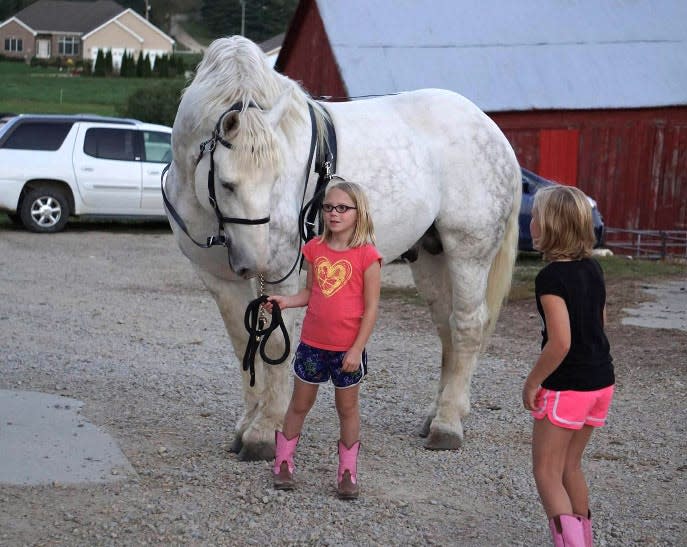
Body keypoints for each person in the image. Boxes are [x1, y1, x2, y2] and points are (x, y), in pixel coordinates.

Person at [264, 180, 382, 499]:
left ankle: (347, 471)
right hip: (313, 346)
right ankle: (284, 463)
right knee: (299, 404)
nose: (334, 213)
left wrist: (357, 348)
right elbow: (311, 292)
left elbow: (371, 310)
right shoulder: (314, 248)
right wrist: (286, 301)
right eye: (329, 207)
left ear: (359, 213)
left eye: (342, 208)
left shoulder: (368, 257)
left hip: (347, 350)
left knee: (347, 408)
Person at [522, 185, 615, 546]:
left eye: (536, 218)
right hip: (600, 381)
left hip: (568, 387)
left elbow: (561, 342)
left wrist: (533, 382)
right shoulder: (593, 269)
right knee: (570, 466)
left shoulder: (551, 278)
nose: (531, 224)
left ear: (551, 226)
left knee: (546, 471)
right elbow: (600, 321)